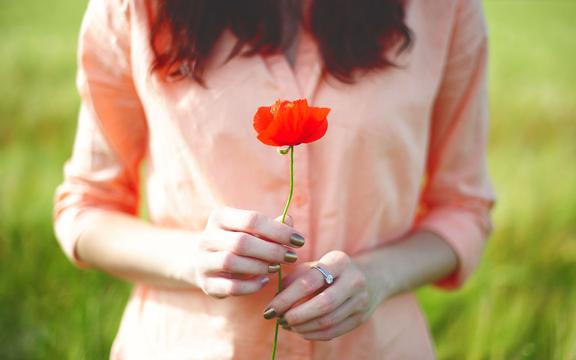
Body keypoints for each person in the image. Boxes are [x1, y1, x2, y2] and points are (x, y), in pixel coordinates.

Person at [53, 0, 494, 358]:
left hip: (379, 347)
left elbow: (464, 210)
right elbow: (87, 210)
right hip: (185, 345)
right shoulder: (134, 10)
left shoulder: (443, 11)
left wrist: (377, 277)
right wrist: (192, 256)